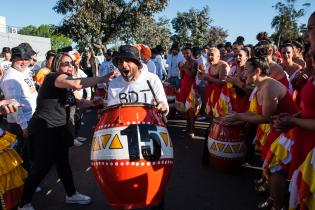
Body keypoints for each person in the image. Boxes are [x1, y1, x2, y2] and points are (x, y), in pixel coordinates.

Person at [18, 52, 115, 210]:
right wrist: (102, 78)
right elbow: (78, 84)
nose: (70, 66)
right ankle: (23, 204)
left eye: (71, 63)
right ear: (57, 65)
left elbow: (77, 102)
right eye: (65, 63)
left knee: (63, 164)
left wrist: (92, 103)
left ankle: (71, 195)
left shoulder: (66, 85)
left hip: (58, 131)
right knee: (41, 168)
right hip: (44, 130)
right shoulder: (53, 77)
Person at [223, 56, 299, 210]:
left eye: (246, 70)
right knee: (270, 167)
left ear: (257, 71)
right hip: (278, 130)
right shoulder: (260, 86)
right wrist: (237, 116)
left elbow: (265, 118)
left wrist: (239, 116)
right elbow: (255, 113)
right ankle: (273, 198)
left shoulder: (269, 87)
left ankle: (278, 206)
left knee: (275, 168)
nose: (243, 74)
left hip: (290, 134)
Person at [274, 11, 315, 210]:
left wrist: (293, 121)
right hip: (304, 133)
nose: (306, 36)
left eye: (310, 29)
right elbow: (310, 108)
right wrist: (294, 116)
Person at [0, 46, 38, 172]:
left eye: (27, 59)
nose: (24, 62)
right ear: (13, 59)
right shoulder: (11, 78)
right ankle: (26, 184)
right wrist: (24, 126)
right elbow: (14, 106)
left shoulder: (23, 71)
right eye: (20, 59)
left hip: (30, 119)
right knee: (22, 156)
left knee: (30, 153)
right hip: (20, 124)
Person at [176, 47, 199, 137]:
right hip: (184, 86)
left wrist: (184, 67)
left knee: (191, 109)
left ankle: (192, 129)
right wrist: (180, 68)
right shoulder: (185, 63)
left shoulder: (194, 63)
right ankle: (188, 127)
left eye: (187, 53)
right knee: (185, 108)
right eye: (184, 53)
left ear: (191, 53)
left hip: (191, 88)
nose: (186, 55)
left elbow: (191, 75)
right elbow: (182, 76)